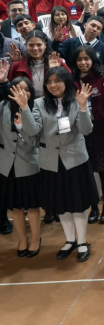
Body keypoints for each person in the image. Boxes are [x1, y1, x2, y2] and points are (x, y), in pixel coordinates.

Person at [33, 66, 98, 262]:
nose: (53, 85)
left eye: (57, 81)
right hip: (51, 162)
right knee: (61, 205)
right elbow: (34, 130)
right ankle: (69, 241)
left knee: (78, 204)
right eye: (49, 82)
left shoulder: (78, 100)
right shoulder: (38, 104)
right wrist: (25, 113)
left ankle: (82, 242)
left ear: (66, 82)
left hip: (75, 160)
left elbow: (86, 130)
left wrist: (83, 107)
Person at [74, 48, 104, 225]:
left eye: (86, 59)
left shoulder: (102, 78)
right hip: (80, 132)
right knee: (87, 172)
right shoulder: (73, 81)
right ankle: (93, 207)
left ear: (93, 60)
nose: (83, 62)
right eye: (79, 59)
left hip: (101, 130)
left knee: (103, 172)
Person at [1, 72, 43, 258]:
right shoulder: (2, 107)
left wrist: (21, 123)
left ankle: (35, 238)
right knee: (16, 207)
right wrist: (2, 81)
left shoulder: (35, 109)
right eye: (18, 89)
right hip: (7, 166)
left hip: (28, 165)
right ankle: (23, 239)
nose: (23, 93)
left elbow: (33, 139)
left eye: (27, 90)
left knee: (32, 206)